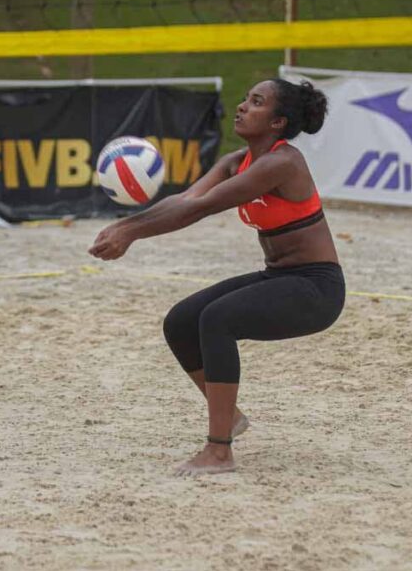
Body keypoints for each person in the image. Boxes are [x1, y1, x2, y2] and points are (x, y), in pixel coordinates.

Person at [89, 78, 345, 475]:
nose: (242, 106)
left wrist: (131, 232)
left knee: (217, 320)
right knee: (181, 321)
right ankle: (231, 416)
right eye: (246, 98)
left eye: (256, 102)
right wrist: (126, 225)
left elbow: (202, 209)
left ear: (277, 122)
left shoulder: (282, 163)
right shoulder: (234, 162)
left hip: (316, 288)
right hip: (278, 276)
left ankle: (219, 450)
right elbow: (185, 200)